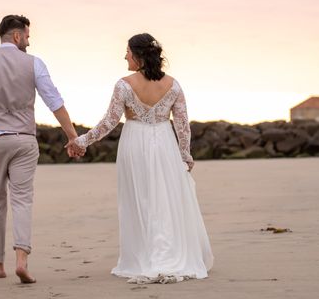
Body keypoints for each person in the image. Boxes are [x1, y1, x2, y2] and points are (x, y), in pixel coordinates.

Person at [74, 33, 214, 283]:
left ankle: (144, 257)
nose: (124, 55)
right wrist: (185, 154)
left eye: (127, 51)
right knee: (164, 199)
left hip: (135, 143)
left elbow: (109, 121)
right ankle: (166, 253)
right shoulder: (173, 85)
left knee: (140, 198)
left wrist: (83, 140)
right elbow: (182, 124)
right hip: (165, 144)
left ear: (137, 55)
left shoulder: (124, 85)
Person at [0, 14, 79, 284]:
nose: (29, 43)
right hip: (23, 140)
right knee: (22, 199)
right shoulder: (34, 64)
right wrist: (72, 136)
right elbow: (53, 100)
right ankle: (22, 260)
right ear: (17, 36)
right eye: (28, 37)